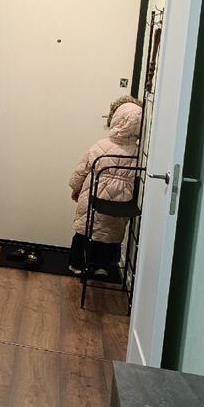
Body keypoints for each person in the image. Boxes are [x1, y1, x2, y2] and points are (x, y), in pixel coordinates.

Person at [68, 97, 143, 276]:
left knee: (84, 231)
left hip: (93, 200)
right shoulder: (138, 153)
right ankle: (104, 266)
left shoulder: (99, 146)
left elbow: (81, 170)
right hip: (119, 205)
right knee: (111, 234)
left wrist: (75, 188)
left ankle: (77, 264)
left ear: (114, 119)